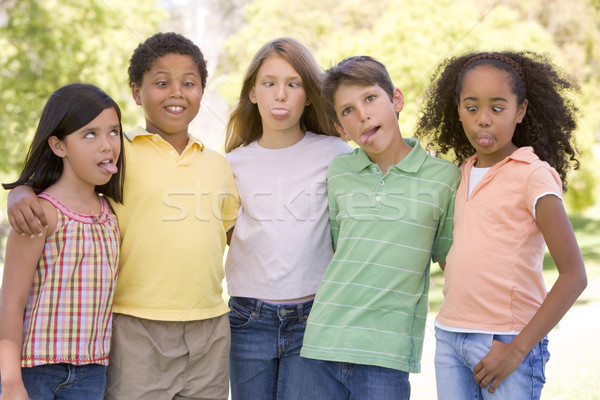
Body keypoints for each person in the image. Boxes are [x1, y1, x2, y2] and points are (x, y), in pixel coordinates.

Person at [5, 33, 239, 400]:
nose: (176, 92)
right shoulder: (119, 153)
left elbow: (230, 232)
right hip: (134, 325)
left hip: (209, 327)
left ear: (202, 91)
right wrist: (21, 192)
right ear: (136, 92)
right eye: (161, 83)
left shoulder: (219, 165)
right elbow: (68, 182)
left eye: (189, 83)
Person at [414, 50, 588, 399]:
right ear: (458, 110)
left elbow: (574, 276)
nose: (483, 119)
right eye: (471, 107)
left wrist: (517, 350)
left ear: (520, 111)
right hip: (449, 337)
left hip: (506, 341)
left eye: (497, 108)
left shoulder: (533, 175)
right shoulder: (458, 174)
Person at [299, 56, 461, 399]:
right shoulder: (339, 172)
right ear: (342, 130)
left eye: (370, 99)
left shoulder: (445, 178)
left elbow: (452, 264)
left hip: (386, 352)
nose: (362, 115)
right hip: (321, 343)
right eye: (347, 111)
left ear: (396, 100)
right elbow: (336, 246)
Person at [224, 37, 352, 400]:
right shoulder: (233, 164)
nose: (280, 95)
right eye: (269, 83)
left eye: (293, 84)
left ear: (309, 95)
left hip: (314, 318)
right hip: (249, 320)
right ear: (253, 93)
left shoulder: (335, 153)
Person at [0, 83, 124, 400]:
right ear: (58, 145)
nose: (108, 145)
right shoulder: (40, 214)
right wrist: (11, 382)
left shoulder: (111, 214)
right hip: (35, 370)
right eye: (90, 134)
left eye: (113, 132)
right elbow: (11, 303)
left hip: (91, 373)